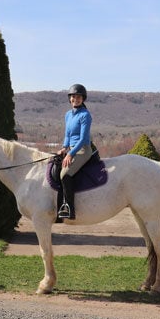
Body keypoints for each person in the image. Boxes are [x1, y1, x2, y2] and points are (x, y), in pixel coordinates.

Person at [56, 84, 93, 219]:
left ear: (83, 99)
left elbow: (83, 138)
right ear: (70, 98)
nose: (75, 99)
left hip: (83, 150)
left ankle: (69, 209)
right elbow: (68, 135)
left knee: (65, 174)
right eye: (73, 96)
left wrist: (71, 154)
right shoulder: (68, 115)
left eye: (78, 97)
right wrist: (64, 148)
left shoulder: (85, 115)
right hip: (71, 149)